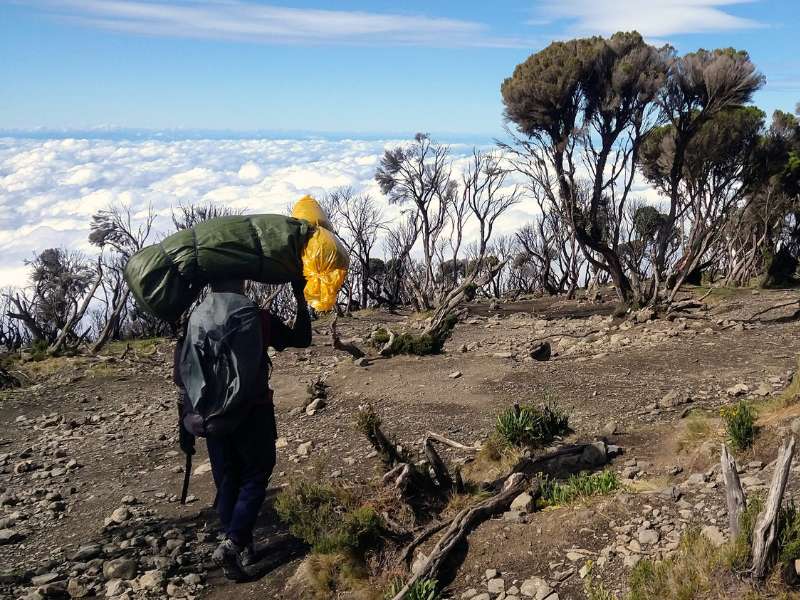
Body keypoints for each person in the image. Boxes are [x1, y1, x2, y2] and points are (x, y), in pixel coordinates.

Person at [173, 279, 311, 580]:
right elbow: (301, 338)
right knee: (257, 474)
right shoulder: (257, 317)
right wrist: (299, 298)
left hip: (213, 416)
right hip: (254, 411)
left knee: (227, 481)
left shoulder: (195, 318)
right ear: (243, 280)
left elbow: (181, 374)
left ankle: (242, 543)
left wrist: (185, 421)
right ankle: (234, 544)